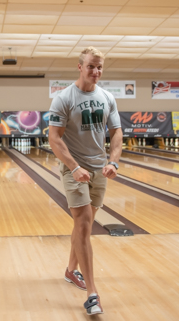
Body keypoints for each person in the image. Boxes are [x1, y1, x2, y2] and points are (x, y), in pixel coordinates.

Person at [48, 46, 123, 315]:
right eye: (91, 66)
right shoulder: (63, 98)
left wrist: (113, 161)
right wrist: (74, 167)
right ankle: (92, 293)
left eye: (100, 67)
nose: (96, 71)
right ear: (80, 67)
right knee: (83, 223)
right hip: (73, 169)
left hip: (98, 168)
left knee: (85, 226)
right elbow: (54, 138)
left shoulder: (107, 98)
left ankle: (71, 271)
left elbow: (116, 132)